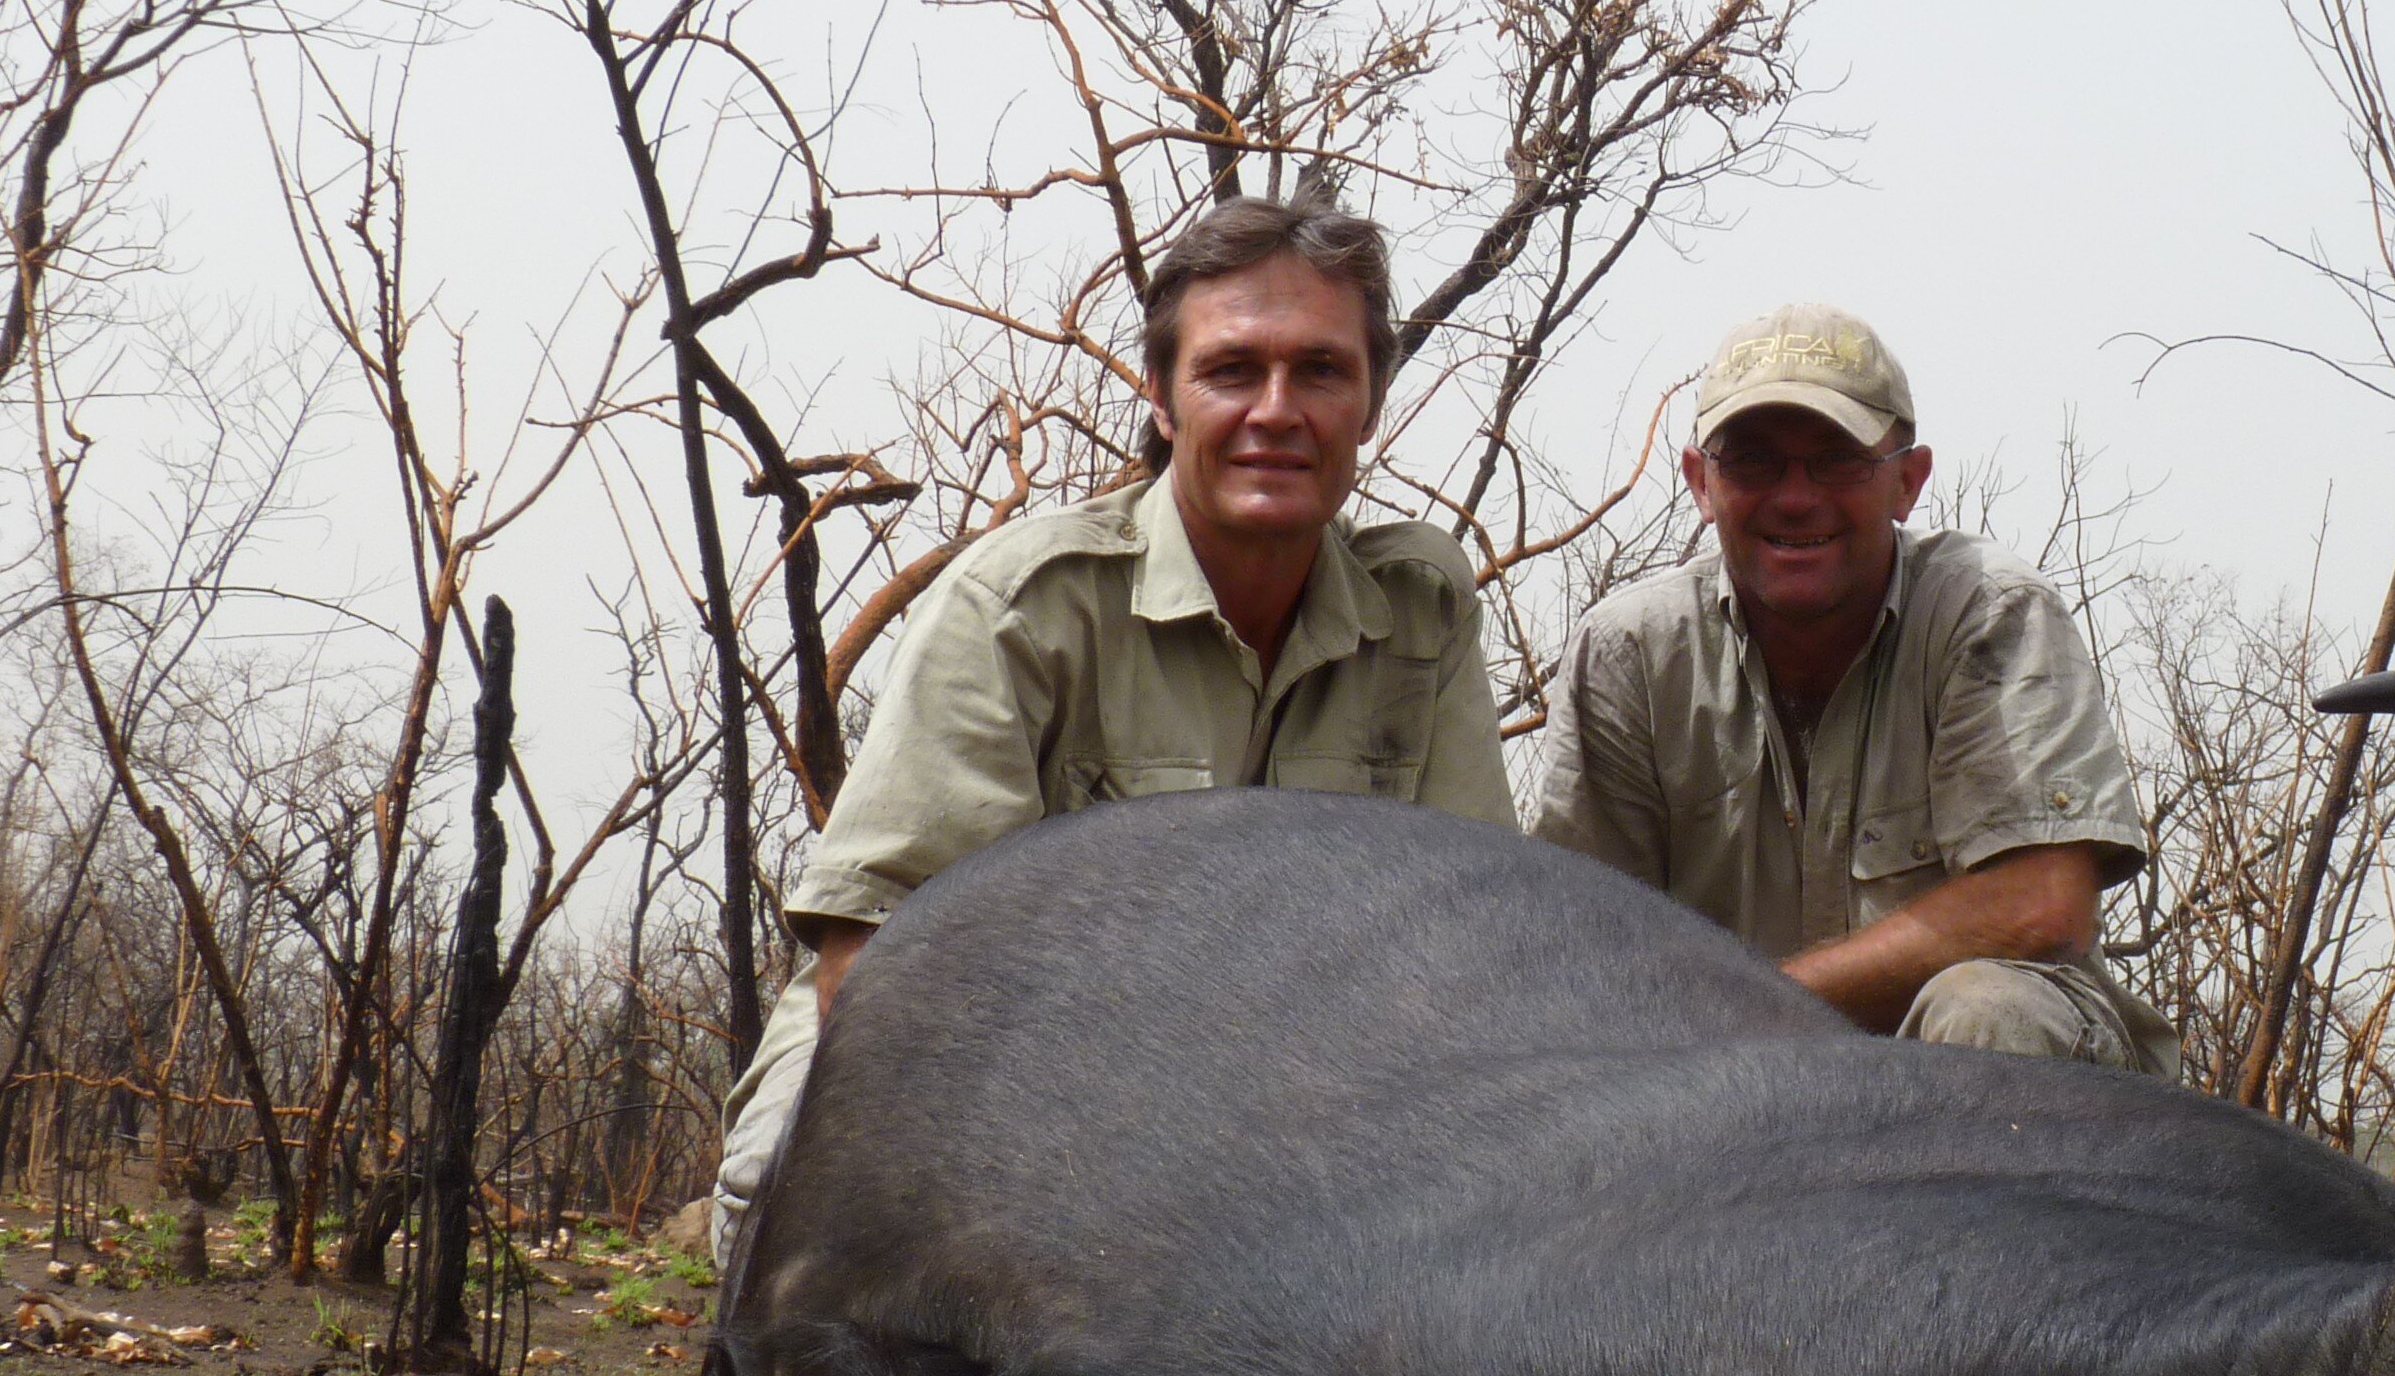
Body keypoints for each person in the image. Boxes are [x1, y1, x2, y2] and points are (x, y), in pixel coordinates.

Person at [709, 194, 1514, 1259]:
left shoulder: (1422, 604)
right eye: (1232, 371)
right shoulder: (1025, 600)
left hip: (1285, 1094)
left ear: (1370, 403)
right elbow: (877, 958)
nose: (1277, 409)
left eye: (1320, 371)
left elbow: (1473, 955)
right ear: (1163, 397)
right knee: (810, 1214)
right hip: (974, 1076)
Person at [1530, 302, 2173, 1074]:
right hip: (1725, 1101)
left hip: (1972, 1095)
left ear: (1908, 480)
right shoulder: (1629, 654)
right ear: (1701, 484)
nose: (1796, 497)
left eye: (1837, 460)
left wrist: (1751, 1015)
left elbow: (2041, 905)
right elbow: (1573, 954)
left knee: (1991, 1009)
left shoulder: (1990, 613)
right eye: (1754, 462)